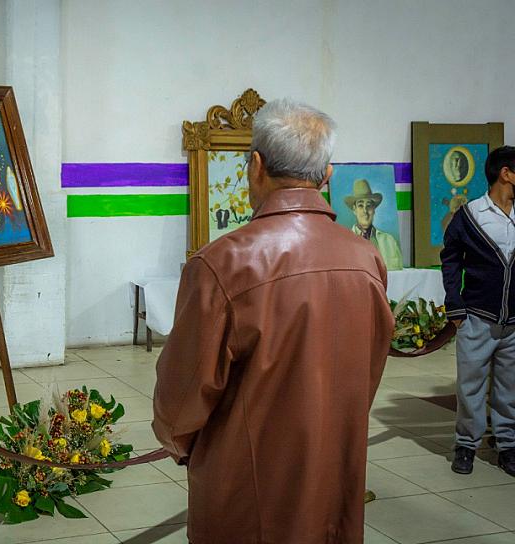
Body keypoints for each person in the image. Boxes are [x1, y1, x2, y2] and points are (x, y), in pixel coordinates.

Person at [152, 98, 395, 544]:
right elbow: (369, 370)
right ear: (327, 175)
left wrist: (178, 444)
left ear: (255, 166)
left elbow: (181, 398)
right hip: (334, 474)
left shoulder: (222, 263)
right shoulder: (366, 259)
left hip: (247, 485)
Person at [441, 145, 515, 477]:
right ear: (505, 174)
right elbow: (450, 259)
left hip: (513, 321)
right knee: (470, 386)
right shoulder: (470, 215)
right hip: (476, 317)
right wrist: (455, 305)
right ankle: (466, 445)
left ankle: (507, 445)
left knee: (509, 388)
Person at [344, 178, 404, 270]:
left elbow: (399, 275)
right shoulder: (344, 243)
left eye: (369, 205)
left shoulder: (389, 241)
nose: (365, 211)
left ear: (374, 209)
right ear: (354, 210)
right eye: (360, 205)